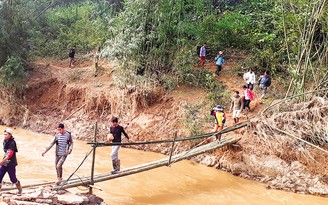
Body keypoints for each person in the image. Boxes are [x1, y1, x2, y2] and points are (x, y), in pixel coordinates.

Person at [0, 129, 22, 195]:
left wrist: (2, 161)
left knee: (13, 179)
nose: (4, 136)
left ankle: (20, 190)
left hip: (11, 163)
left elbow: (10, 154)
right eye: (4, 134)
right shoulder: (4, 141)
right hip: (5, 163)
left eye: (6, 134)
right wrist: (3, 161)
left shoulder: (12, 142)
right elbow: (6, 152)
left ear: (10, 135)